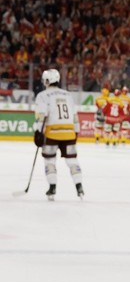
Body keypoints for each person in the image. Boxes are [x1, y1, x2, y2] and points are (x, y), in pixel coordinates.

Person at [33, 69, 84, 200]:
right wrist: (76, 132)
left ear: (47, 81)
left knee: (50, 161)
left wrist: (38, 132)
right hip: (69, 133)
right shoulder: (68, 95)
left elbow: (42, 116)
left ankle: (52, 188)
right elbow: (75, 116)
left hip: (52, 133)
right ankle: (79, 187)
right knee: (72, 161)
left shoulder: (42, 95)